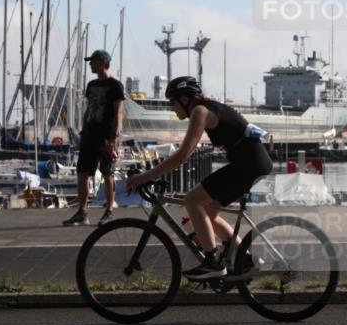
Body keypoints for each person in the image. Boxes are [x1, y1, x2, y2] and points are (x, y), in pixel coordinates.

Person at [125, 76, 273, 279]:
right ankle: (245, 260)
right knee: (209, 214)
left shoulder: (200, 112)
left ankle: (213, 263)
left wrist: (144, 177)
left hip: (249, 164)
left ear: (185, 100)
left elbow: (182, 155)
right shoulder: (204, 108)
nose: (172, 107)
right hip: (250, 163)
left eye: (172, 102)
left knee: (192, 200)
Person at [63, 50, 124, 226]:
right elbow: (89, 110)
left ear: (103, 62)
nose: (90, 64)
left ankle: (109, 211)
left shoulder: (115, 86)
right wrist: (82, 132)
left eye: (93, 62)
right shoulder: (91, 85)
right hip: (90, 134)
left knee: (107, 173)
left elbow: (118, 113)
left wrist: (113, 139)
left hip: (106, 136)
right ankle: (82, 213)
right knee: (82, 172)